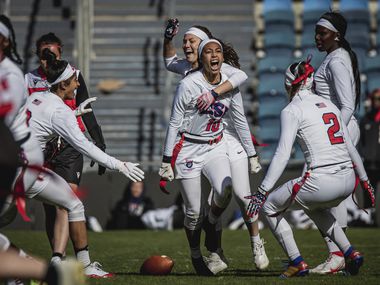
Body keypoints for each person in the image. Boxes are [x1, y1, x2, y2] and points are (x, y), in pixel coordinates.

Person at [245, 59, 374, 278]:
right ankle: (351, 253)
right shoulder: (331, 105)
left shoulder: (292, 110)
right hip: (347, 180)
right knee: (314, 207)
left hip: (322, 181)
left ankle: (297, 262)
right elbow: (351, 147)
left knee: (269, 207)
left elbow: (282, 155)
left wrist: (261, 191)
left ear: (289, 84)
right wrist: (365, 181)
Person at [23, 49, 144, 277]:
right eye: (74, 81)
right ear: (62, 85)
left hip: (10, 167)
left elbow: (38, 123)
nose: (78, 85)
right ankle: (84, 266)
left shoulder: (34, 97)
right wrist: (119, 165)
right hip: (26, 173)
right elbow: (85, 146)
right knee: (74, 205)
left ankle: (57, 263)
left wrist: (74, 113)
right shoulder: (59, 111)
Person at [163, 18, 268, 270]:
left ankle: (249, 242)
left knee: (233, 192)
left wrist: (215, 92)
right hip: (191, 143)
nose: (186, 45)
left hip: (223, 138)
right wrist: (168, 38)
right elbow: (168, 63)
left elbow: (241, 78)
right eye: (184, 41)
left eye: (191, 41)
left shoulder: (227, 74)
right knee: (193, 212)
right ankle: (210, 252)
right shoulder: (187, 77)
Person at [25, 32, 106, 257]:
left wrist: (99, 143)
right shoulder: (27, 79)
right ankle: (57, 258)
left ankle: (74, 259)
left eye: (52, 53)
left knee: (66, 201)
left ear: (61, 51)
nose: (47, 58)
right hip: (43, 150)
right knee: (51, 208)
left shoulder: (72, 75)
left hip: (69, 146)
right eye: (43, 54)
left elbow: (87, 111)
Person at [309, 11, 363, 274]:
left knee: (331, 196)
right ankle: (341, 254)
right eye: (317, 31)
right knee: (333, 197)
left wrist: (333, 136)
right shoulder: (333, 58)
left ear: (337, 35)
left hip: (340, 131)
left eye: (323, 32)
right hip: (338, 131)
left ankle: (338, 255)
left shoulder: (337, 60)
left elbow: (347, 105)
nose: (317, 36)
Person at [359, 89, 380, 212]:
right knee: (368, 192)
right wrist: (364, 155)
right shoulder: (366, 119)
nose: (376, 101)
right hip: (369, 163)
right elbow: (360, 141)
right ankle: (368, 217)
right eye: (375, 99)